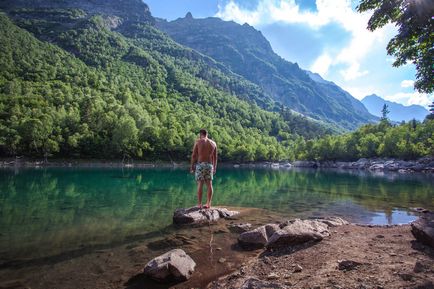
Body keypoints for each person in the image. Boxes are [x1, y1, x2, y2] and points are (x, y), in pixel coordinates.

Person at [190, 129, 217, 209]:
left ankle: (199, 204)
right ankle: (209, 204)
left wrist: (191, 166)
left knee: (200, 184)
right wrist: (214, 167)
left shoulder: (198, 142)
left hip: (200, 165)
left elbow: (194, 155)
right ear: (207, 134)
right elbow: (215, 157)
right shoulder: (213, 143)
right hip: (209, 165)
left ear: (201, 134)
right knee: (209, 184)